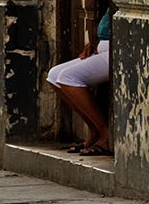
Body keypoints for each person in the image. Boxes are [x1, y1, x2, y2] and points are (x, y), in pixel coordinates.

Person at [46, 10, 112, 155]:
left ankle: (106, 135)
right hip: (102, 47)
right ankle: (94, 131)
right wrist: (96, 40)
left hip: (116, 50)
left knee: (67, 77)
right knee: (54, 75)